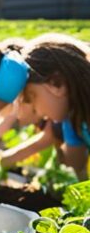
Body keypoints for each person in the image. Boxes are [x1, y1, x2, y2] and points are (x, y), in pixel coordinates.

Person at [16, 34, 90, 180]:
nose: (39, 114)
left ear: (56, 84)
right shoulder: (74, 119)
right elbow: (74, 167)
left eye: (32, 97)